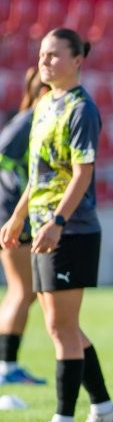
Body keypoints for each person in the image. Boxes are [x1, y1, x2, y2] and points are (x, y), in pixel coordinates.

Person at [0, 28, 113, 422]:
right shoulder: (43, 106)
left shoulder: (81, 109)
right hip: (41, 226)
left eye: (54, 55)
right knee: (61, 325)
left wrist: (57, 222)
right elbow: (38, 175)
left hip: (72, 230)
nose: (45, 61)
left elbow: (81, 173)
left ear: (77, 60)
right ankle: (103, 409)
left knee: (61, 326)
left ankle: (64, 421)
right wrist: (19, 216)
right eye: (42, 54)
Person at [0, 67, 46, 385]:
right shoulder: (28, 120)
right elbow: (2, 154)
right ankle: (6, 366)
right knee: (22, 289)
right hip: (14, 214)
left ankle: (6, 364)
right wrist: (16, 191)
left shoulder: (37, 120)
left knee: (23, 291)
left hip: (19, 214)